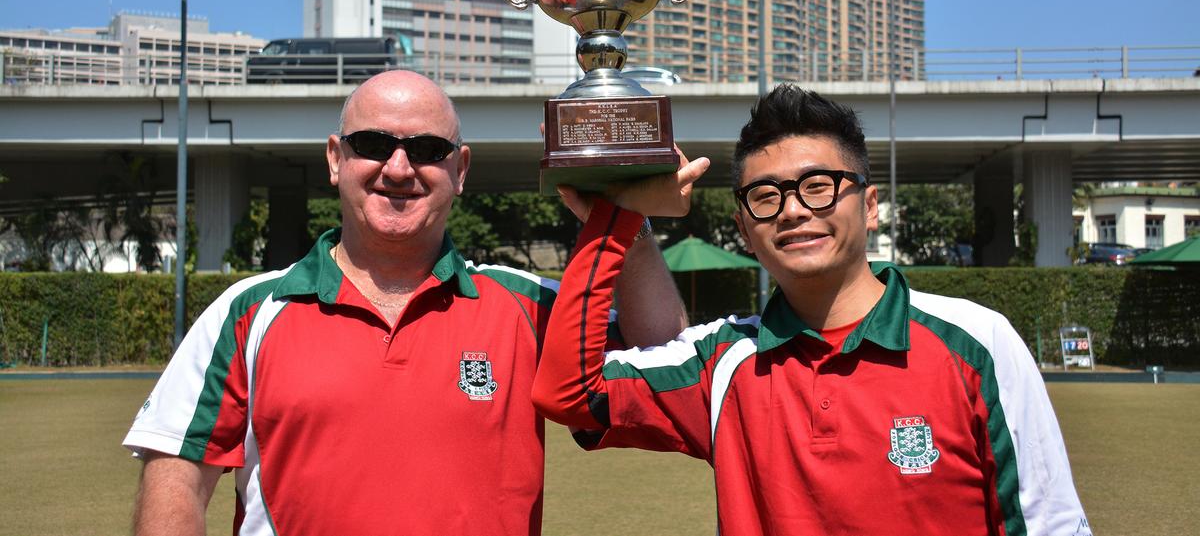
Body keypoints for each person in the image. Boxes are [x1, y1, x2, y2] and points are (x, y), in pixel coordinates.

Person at [123, 70, 691, 536]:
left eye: (426, 149)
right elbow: (175, 482)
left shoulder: (525, 307)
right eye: (372, 145)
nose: (398, 169)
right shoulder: (246, 313)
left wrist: (624, 216)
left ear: (460, 170)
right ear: (334, 159)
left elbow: (662, 353)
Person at [533, 84, 1092, 536]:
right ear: (744, 231)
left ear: (870, 206)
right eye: (767, 196)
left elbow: (1050, 523)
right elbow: (570, 393)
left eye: (819, 186)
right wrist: (618, 218)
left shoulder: (976, 340)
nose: (794, 211)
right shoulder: (723, 360)